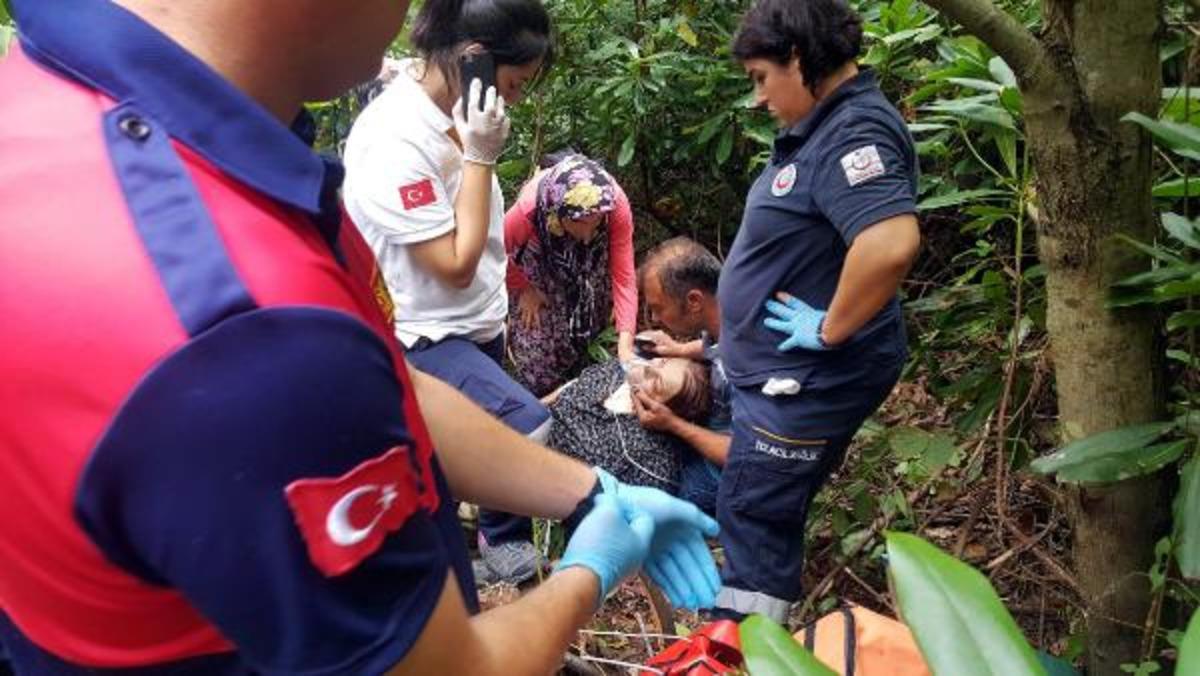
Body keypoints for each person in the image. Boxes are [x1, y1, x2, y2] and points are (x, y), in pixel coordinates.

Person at [0, 0, 721, 673]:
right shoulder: (256, 334)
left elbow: (387, 386)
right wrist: (589, 570)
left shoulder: (68, 93)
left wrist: (589, 492)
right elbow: (455, 667)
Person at [709, 0, 922, 623]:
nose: (758, 98)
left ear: (797, 58)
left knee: (755, 513)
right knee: (754, 507)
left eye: (760, 78)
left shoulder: (853, 133)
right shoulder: (827, 126)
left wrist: (829, 328)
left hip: (805, 380)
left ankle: (741, 646)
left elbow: (888, 242)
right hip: (778, 373)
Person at [342, 0, 553, 585]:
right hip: (422, 334)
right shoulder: (396, 139)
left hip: (477, 323)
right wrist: (480, 153)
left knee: (441, 462)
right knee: (523, 424)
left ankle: (473, 551)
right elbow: (454, 263)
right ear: (475, 61)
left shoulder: (454, 109)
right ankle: (488, 544)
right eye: (513, 83)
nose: (513, 99)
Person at [505, 153, 638, 396]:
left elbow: (624, 275)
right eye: (580, 223)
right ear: (556, 212)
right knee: (537, 341)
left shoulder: (614, 203)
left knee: (590, 313)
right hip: (540, 257)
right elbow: (493, 251)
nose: (587, 233)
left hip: (589, 262)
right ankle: (544, 395)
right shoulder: (528, 210)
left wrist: (626, 339)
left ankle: (578, 361)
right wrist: (523, 288)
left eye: (595, 222)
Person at [634, 238, 731, 515]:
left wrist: (674, 425)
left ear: (694, 301)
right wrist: (677, 349)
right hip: (714, 421)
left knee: (663, 502)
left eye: (658, 307)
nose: (653, 317)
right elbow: (716, 346)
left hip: (731, 470)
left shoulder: (747, 367)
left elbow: (745, 454)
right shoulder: (729, 311)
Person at [546, 358, 711, 494]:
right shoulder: (618, 370)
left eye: (657, 383)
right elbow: (573, 386)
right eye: (663, 362)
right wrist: (540, 404)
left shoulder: (648, 463)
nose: (649, 368)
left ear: (661, 410)